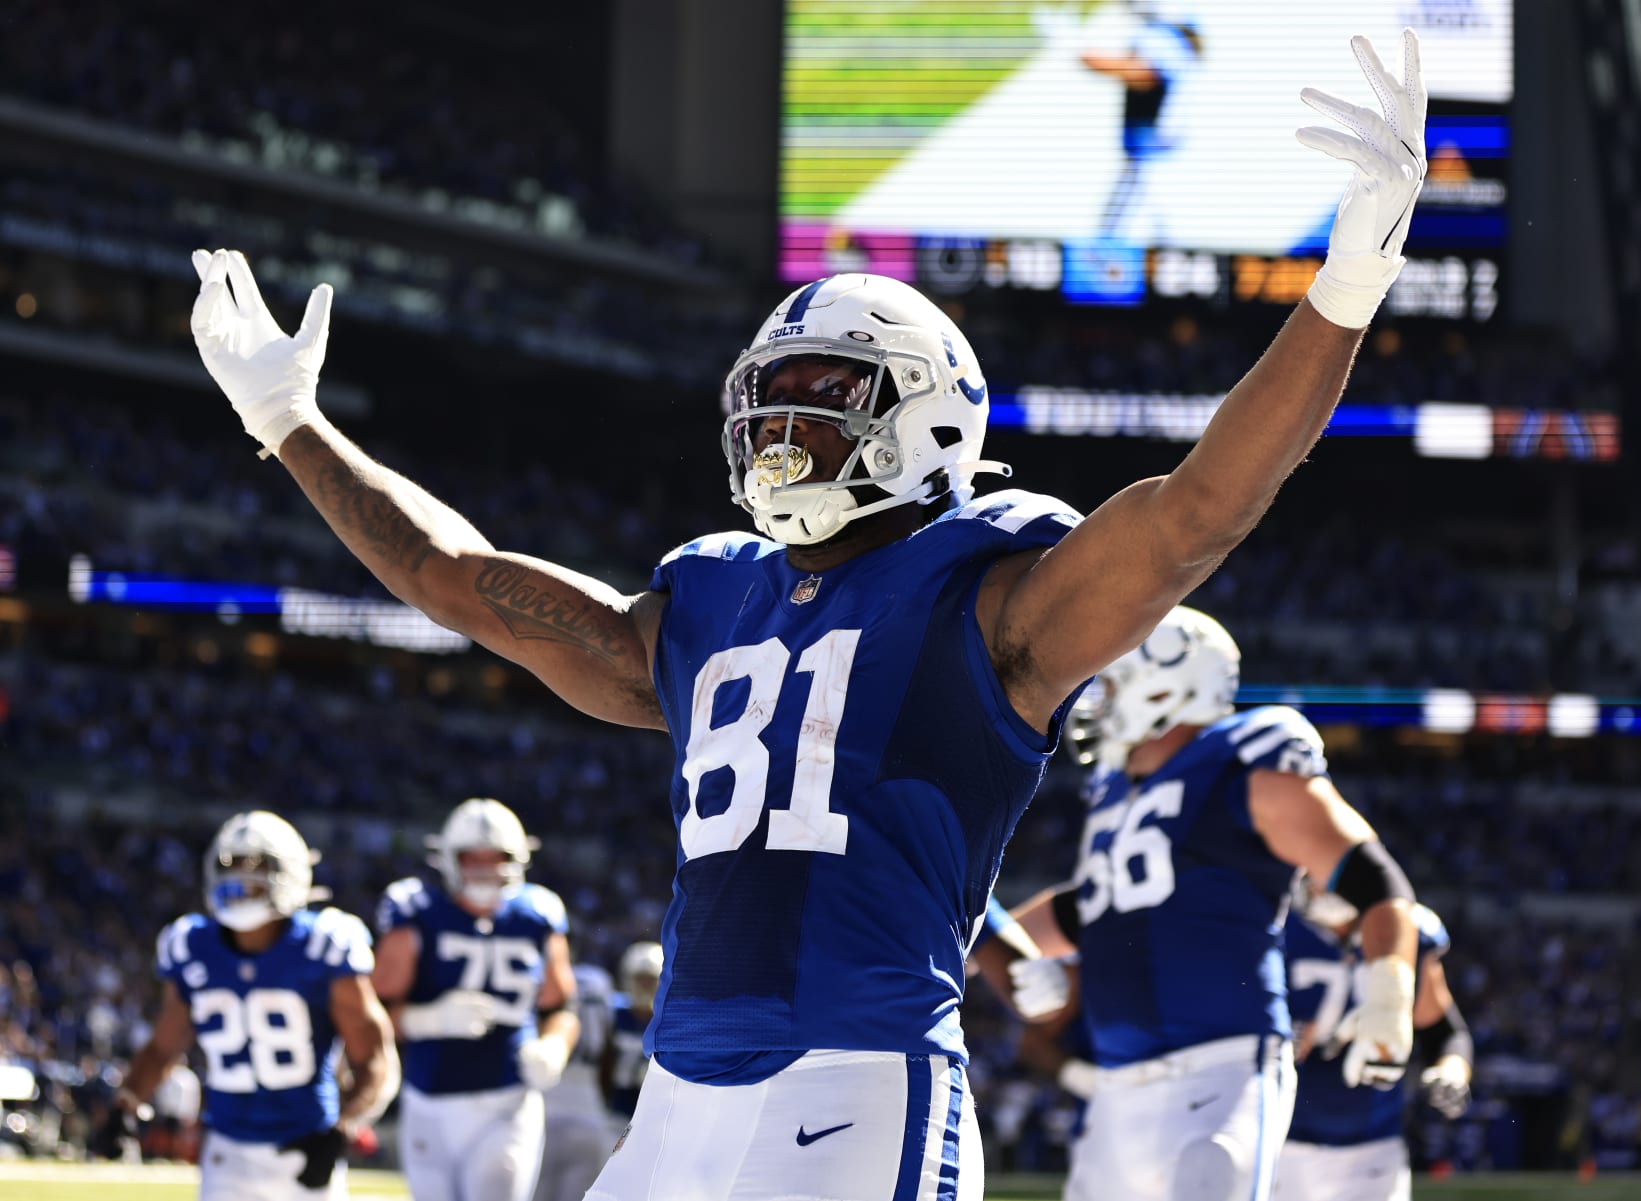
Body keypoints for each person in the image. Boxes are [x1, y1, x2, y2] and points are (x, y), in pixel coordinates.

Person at [186, 30, 1426, 1198]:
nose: (785, 424)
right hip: (677, 1095)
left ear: (928, 412)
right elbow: (462, 579)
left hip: (858, 1080)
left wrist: (1349, 282)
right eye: (769, 398)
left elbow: (1196, 509)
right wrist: (292, 427)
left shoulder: (988, 589)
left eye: (825, 392)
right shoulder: (709, 598)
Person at [1008, 608, 1420, 1200]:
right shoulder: (1117, 794)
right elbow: (1095, 906)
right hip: (1117, 1082)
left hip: (1221, 1069)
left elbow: (1376, 883)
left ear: (1167, 684)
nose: (1099, 702)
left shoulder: (1242, 760)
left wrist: (1388, 995)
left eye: (1115, 683)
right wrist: (972, 943)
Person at [96, 812, 397, 1200]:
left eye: (257, 867)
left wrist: (343, 1129)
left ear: (289, 874)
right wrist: (127, 1103)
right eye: (231, 866)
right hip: (226, 1152)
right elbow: (163, 1048)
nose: (242, 880)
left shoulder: (323, 945)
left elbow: (375, 1058)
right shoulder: (191, 946)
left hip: (305, 1146)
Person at [373, 798, 580, 1201]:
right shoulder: (416, 912)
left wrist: (554, 1046)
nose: (485, 868)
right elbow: (372, 1011)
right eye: (473, 857)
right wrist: (423, 1020)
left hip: (506, 1099)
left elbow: (561, 1008)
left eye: (496, 857)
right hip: (427, 1101)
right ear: (448, 858)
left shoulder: (537, 915)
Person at [1274, 885, 1473, 1201]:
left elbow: (1444, 1032)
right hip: (1284, 1141)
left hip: (1374, 1145)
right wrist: (1278, 1037)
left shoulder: (1406, 930)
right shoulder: (1276, 926)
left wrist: (1451, 1072)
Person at [1078, 0, 1206, 240]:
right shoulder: (1174, 36)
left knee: (1124, 239)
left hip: (1155, 157)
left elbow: (1142, 74)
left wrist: (1085, 54)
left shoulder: (1161, 36)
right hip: (1155, 154)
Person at [535, 958, 617, 1201]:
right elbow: (607, 1054)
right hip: (589, 1114)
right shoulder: (597, 980)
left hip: (543, 1115)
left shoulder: (537, 973)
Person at [599, 943, 660, 1145]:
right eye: (639, 978)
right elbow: (604, 1061)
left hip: (655, 1113)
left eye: (650, 980)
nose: (644, 985)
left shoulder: (667, 1020)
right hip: (617, 1111)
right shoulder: (615, 1013)